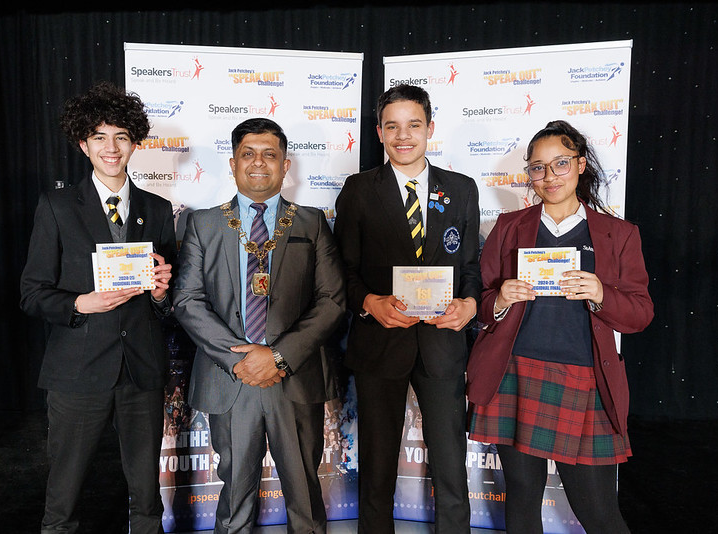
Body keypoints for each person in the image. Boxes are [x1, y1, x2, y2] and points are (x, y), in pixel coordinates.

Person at [466, 120, 654, 534]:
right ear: (529, 173)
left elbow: (640, 314)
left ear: (581, 164)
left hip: (585, 380)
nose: (549, 177)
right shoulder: (508, 226)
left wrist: (602, 292)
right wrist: (499, 299)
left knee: (600, 513)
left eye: (561, 164)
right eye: (537, 168)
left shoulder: (619, 234)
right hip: (513, 373)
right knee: (521, 501)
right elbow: (480, 305)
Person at [172, 117, 346, 533]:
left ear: (285, 166)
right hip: (232, 377)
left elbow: (333, 301)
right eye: (247, 154)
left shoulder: (311, 222)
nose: (258, 163)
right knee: (235, 491)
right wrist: (241, 359)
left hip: (296, 374)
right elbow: (187, 299)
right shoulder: (204, 224)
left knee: (304, 489)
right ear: (232, 164)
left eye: (270, 155)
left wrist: (278, 356)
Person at [19, 81, 176, 534]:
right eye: (101, 138)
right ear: (84, 143)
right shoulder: (57, 206)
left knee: (146, 493)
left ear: (135, 143)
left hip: (141, 370)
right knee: (64, 493)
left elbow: (167, 299)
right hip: (78, 370)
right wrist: (79, 303)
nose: (112, 148)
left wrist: (163, 292)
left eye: (122, 137)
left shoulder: (158, 208)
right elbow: (32, 293)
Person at [334, 84, 480, 533]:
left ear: (430, 128)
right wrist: (368, 302)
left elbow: (471, 264)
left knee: (451, 465)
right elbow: (342, 271)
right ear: (379, 132)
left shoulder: (462, 189)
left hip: (443, 342)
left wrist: (471, 305)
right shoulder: (359, 190)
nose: (403, 135)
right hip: (381, 342)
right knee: (377, 467)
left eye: (413, 125)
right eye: (392, 126)